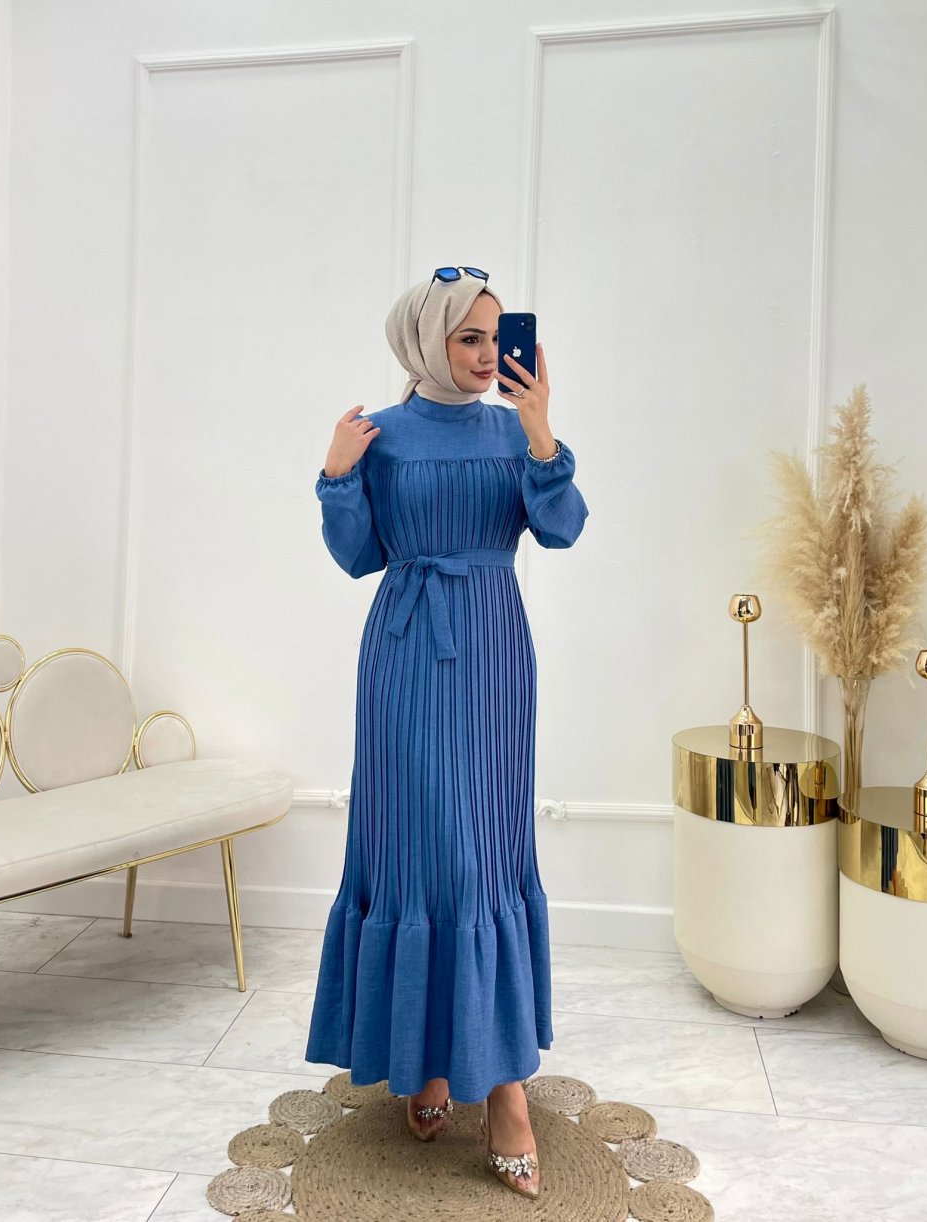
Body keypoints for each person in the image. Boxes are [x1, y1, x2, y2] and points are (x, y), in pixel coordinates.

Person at [305, 265, 589, 1200]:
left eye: (495, 337)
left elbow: (562, 531)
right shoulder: (380, 435)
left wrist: (541, 431)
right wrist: (337, 475)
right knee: (416, 850)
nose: (486, 354)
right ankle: (428, 1060)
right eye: (469, 337)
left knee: (480, 856)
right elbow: (357, 557)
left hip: (493, 654)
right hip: (401, 655)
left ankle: (504, 1092)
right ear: (427, 341)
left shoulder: (513, 432)